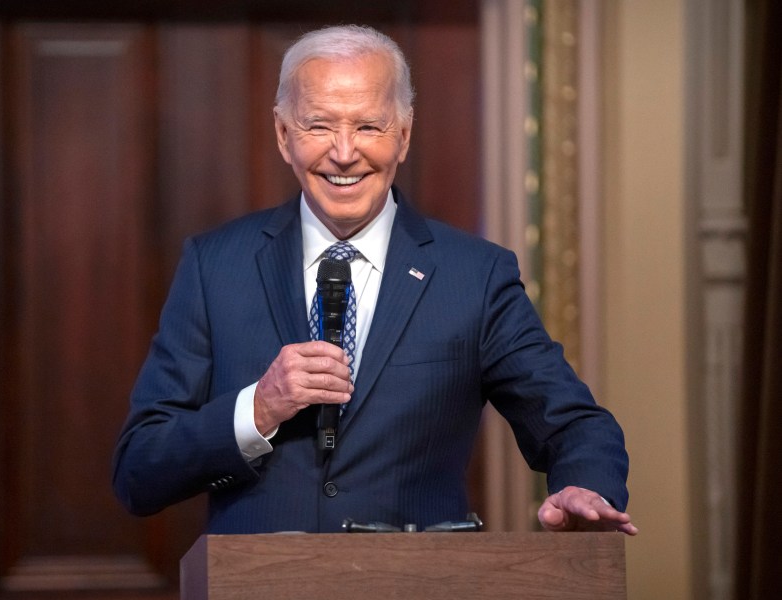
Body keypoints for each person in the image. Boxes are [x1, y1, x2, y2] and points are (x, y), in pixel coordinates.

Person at [112, 24, 638, 536]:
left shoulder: (474, 275)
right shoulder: (214, 266)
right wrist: (259, 407)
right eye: (319, 125)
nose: (344, 152)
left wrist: (585, 487)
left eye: (368, 126)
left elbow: (573, 424)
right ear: (283, 134)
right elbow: (140, 470)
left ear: (403, 135)